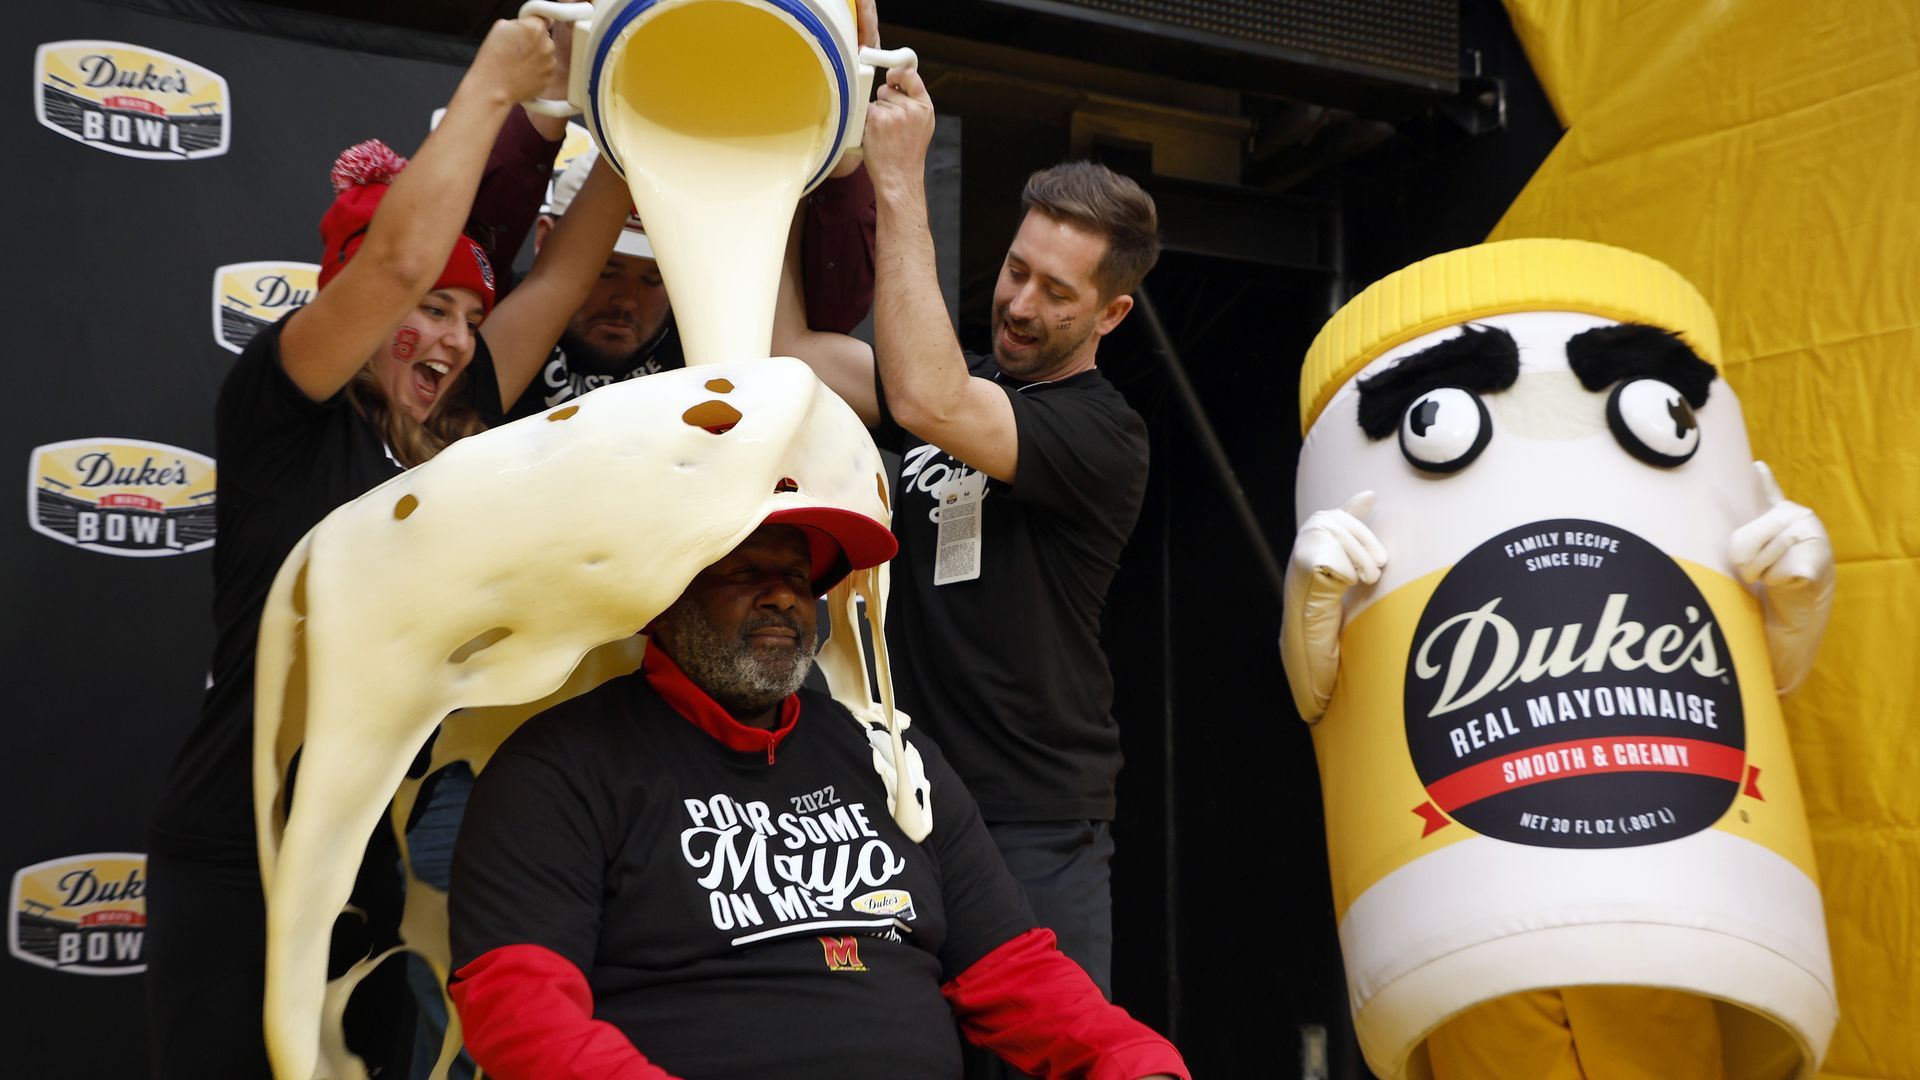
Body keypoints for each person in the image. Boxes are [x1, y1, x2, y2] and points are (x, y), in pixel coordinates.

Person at [144, 17, 632, 1078]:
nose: (453, 337)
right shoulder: (285, 406)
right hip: (244, 854)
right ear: (356, 302)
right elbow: (402, 254)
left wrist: (636, 110)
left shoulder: (452, 424)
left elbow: (563, 277)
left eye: (468, 313)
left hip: (374, 864)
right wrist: (500, 79)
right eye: (427, 311)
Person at [447, 520, 1188, 1080]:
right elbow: (517, 1007)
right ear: (663, 598)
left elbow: (1012, 969)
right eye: (744, 571)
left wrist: (1135, 1061)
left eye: (797, 577)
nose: (781, 596)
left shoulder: (888, 752)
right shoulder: (562, 764)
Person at [769, 63, 1157, 999]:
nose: (1021, 305)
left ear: (1111, 313)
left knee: (1048, 1057)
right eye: (1017, 271)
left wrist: (899, 178)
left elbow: (926, 395)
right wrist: (788, 160)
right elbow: (785, 354)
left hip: (1033, 820)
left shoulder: (1104, 431)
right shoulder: (964, 383)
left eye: (1056, 293)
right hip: (907, 802)